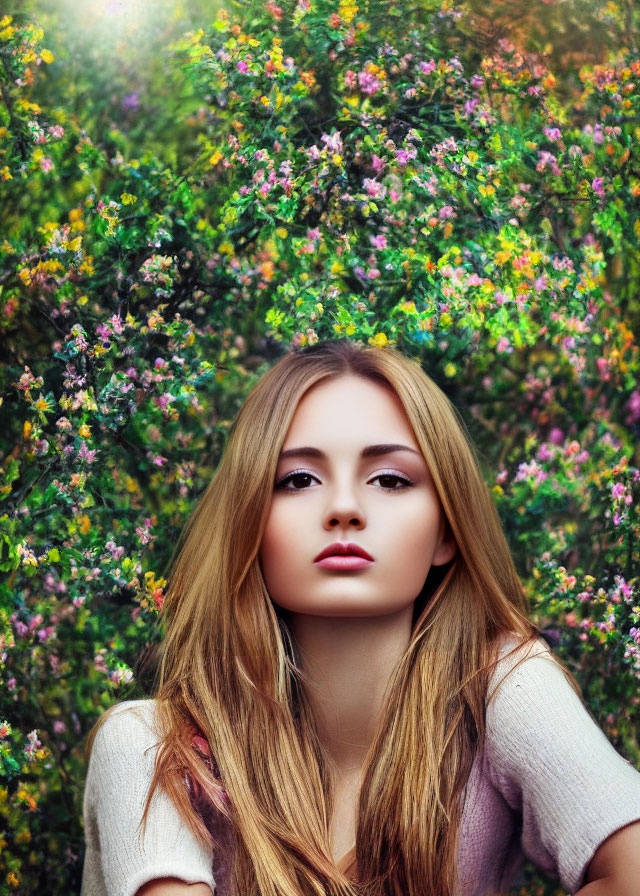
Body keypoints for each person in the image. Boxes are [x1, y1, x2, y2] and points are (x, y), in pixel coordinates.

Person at [80, 339, 640, 896]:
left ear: (446, 531)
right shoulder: (150, 749)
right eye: (298, 479)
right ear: (249, 519)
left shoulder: (502, 689)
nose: (344, 507)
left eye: (390, 479)